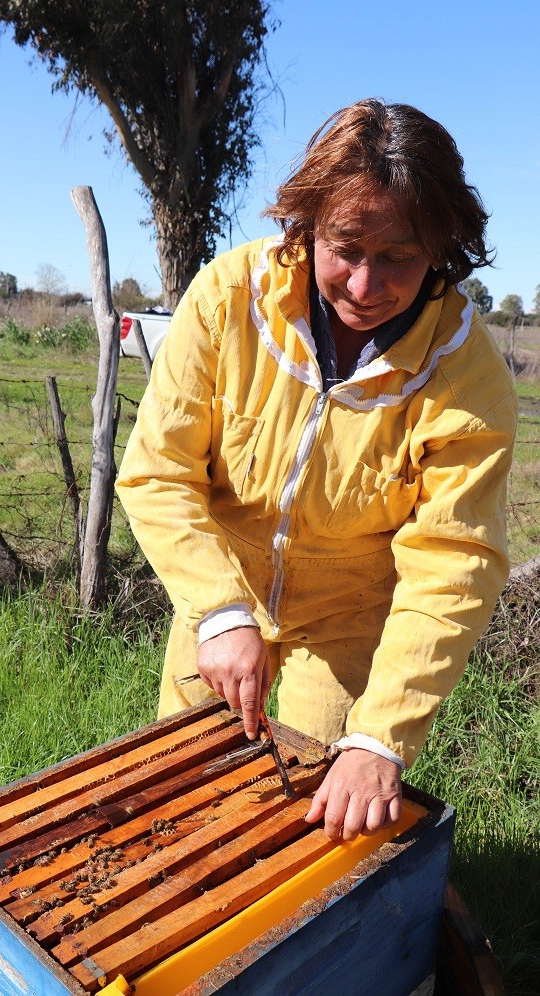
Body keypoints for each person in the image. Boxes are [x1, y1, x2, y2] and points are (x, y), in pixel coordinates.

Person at [115, 98, 517, 842]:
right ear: (304, 225)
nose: (366, 286)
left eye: (398, 256)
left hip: (343, 627)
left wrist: (379, 739)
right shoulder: (230, 298)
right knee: (180, 802)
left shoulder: (467, 375)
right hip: (217, 602)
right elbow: (159, 470)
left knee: (301, 828)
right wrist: (219, 611)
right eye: (345, 247)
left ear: (442, 245)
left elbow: (452, 562)